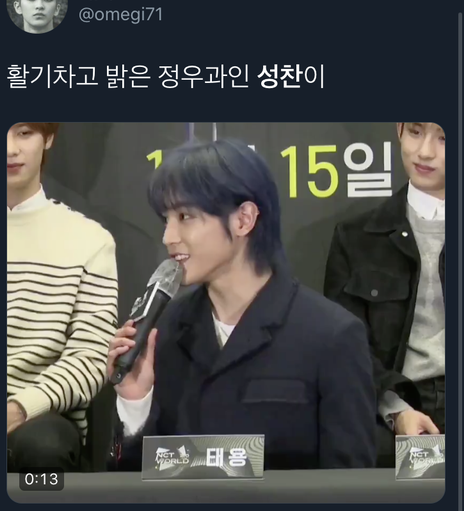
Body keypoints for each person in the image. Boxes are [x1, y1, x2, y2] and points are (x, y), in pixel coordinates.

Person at [107, 139, 377, 471]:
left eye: (185, 216)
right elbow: (130, 483)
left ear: (244, 219)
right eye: (166, 219)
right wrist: (135, 402)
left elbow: (350, 483)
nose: (168, 236)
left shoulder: (332, 336)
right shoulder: (163, 332)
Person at [324, 122, 445, 466]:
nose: (424, 152)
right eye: (416, 132)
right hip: (394, 412)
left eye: (444, 138)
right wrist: (396, 410)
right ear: (399, 131)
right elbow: (347, 347)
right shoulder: (356, 238)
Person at [7, 122, 118, 471]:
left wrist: (19, 408)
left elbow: (91, 356)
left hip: (38, 417)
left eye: (24, 133)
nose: (9, 149)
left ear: (48, 137)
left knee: (44, 447)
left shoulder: (89, 240)